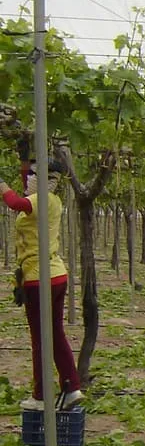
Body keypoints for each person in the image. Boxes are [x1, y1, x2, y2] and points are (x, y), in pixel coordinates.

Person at [1, 158, 82, 410]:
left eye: (33, 176)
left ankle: (41, 395)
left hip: (39, 278)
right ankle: (71, 387)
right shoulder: (52, 200)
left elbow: (16, 203)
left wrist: (1, 185)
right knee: (55, 334)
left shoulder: (41, 199)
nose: (28, 179)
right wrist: (25, 152)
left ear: (46, 179)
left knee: (40, 339)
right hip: (54, 275)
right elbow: (25, 182)